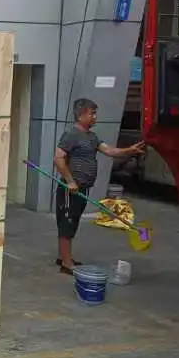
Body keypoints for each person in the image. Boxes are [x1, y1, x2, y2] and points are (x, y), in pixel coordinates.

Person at [53, 98, 144, 275]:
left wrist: (129, 150)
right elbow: (58, 158)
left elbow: (110, 151)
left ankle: (64, 256)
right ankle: (66, 263)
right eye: (92, 114)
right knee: (67, 224)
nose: (95, 117)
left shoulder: (92, 137)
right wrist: (70, 181)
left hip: (82, 188)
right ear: (81, 115)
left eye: (95, 113)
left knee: (72, 223)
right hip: (70, 189)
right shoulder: (71, 134)